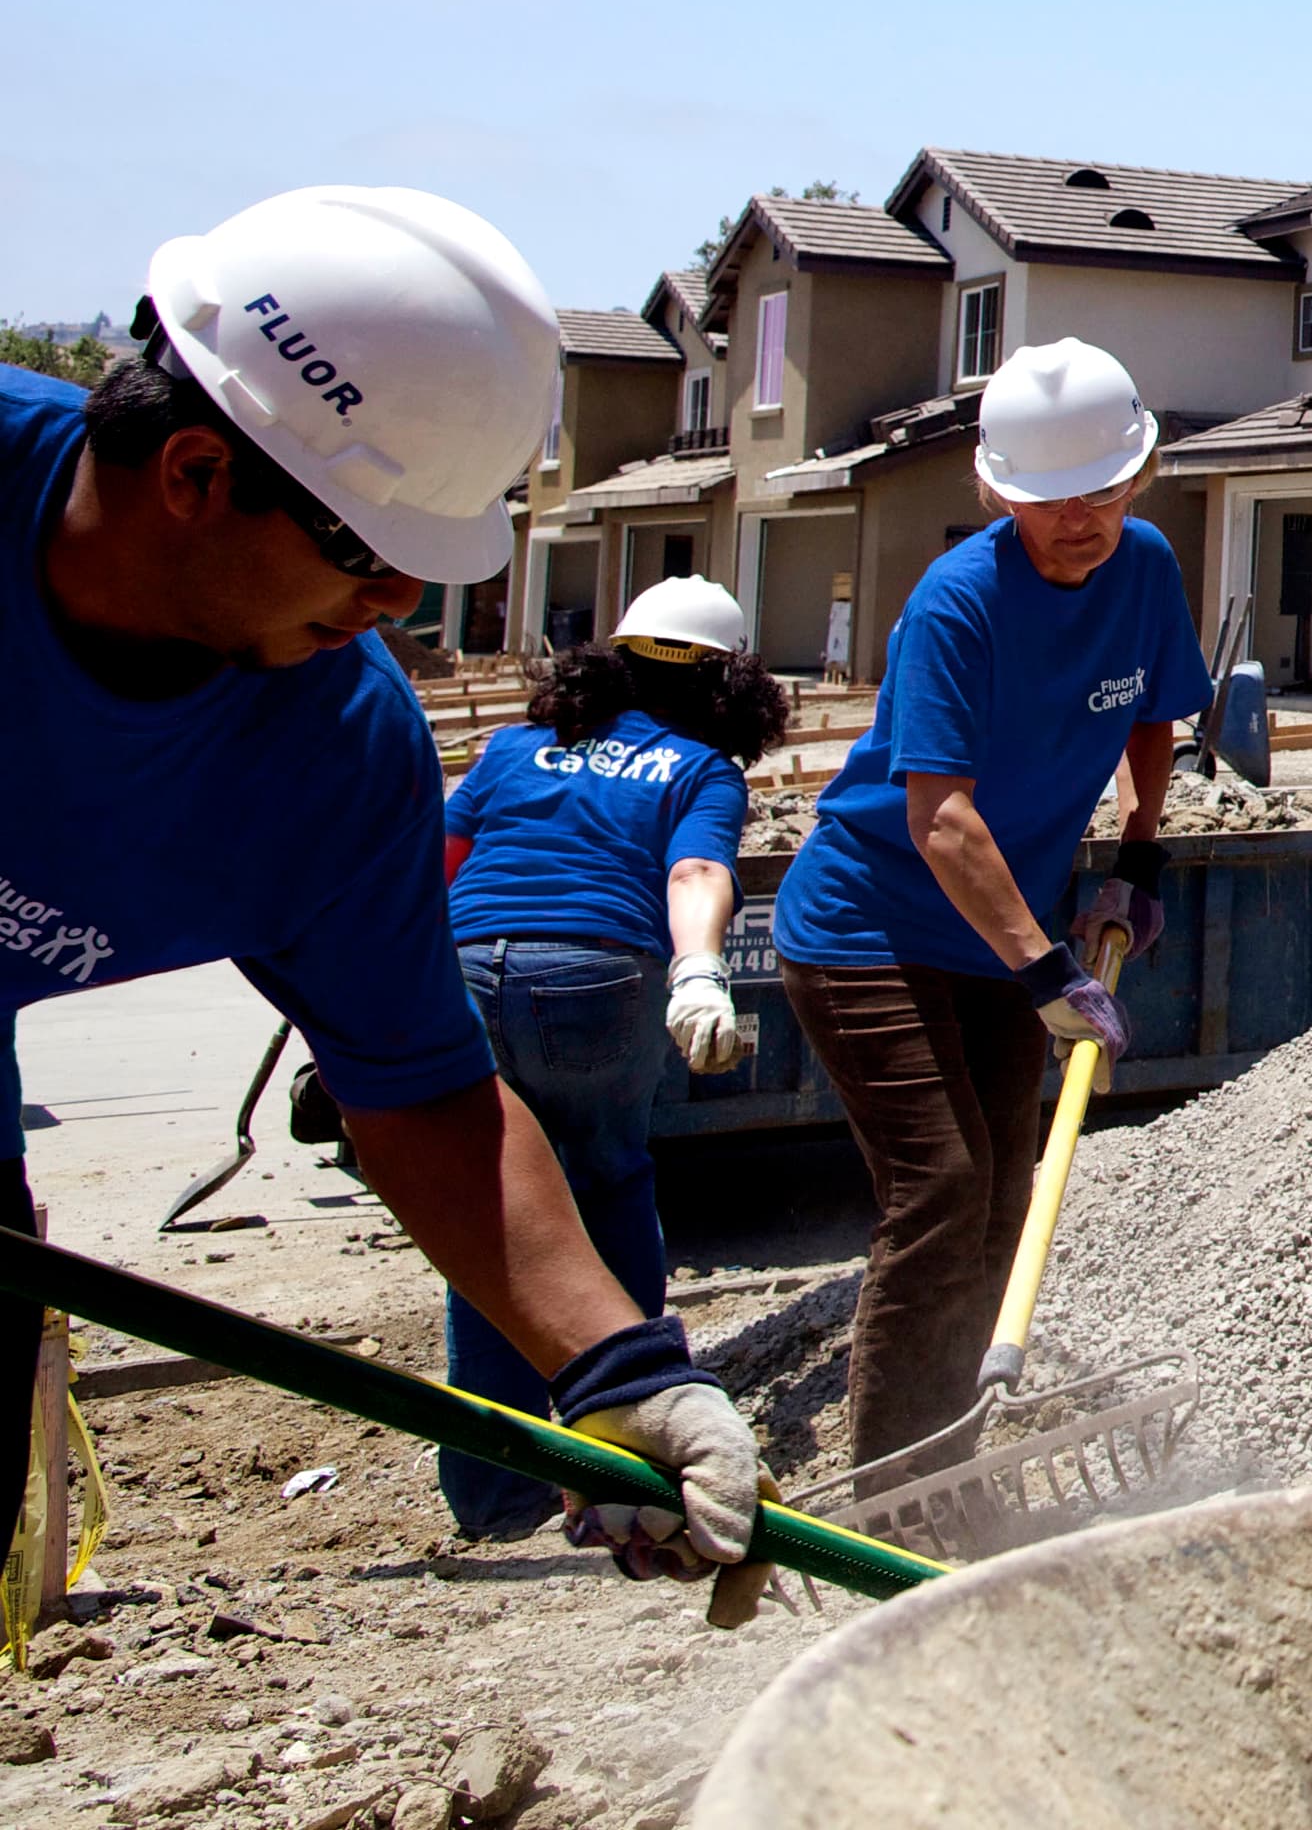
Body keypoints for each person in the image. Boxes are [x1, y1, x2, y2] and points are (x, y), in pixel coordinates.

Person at [0, 187, 777, 1619]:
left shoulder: (332, 754)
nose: (405, 605)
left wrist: (620, 1370)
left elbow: (425, 1095)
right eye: (370, 552)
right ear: (192, 475)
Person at [765, 337, 1212, 1478]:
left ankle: (956, 1461)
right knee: (942, 1191)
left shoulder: (1147, 566)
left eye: (1103, 492)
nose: (1081, 520)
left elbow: (1148, 711)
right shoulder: (959, 602)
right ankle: (892, 1491)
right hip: (870, 925)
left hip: (1004, 932)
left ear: (1139, 476)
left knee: (1006, 1199)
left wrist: (1139, 854)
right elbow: (941, 819)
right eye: (1050, 500)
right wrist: (1047, 972)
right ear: (997, 491)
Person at [433, 573, 785, 1537]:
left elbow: (443, 871)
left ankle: (496, 1493)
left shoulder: (510, 750)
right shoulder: (700, 768)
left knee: (495, 1221)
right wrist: (700, 971)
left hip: (464, 973)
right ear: (729, 687)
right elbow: (697, 869)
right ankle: (628, 1453)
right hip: (591, 982)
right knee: (608, 1188)